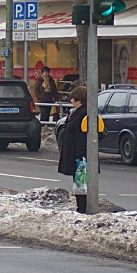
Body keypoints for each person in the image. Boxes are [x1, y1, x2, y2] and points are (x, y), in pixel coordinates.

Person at [57, 85, 88, 213]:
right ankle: (80, 207)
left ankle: (82, 208)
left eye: (73, 99)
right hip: (76, 154)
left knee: (81, 183)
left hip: (80, 155)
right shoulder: (76, 112)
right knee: (79, 182)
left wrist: (81, 154)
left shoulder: (84, 113)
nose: (71, 101)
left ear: (79, 100)